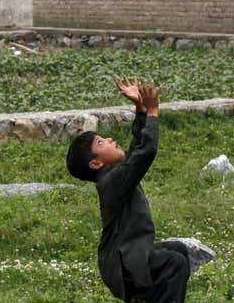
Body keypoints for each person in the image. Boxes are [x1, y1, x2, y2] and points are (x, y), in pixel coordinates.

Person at [67, 77, 191, 303]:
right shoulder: (112, 182)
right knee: (175, 263)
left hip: (128, 257)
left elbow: (136, 149)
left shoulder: (115, 175)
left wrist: (141, 110)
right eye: (102, 143)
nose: (110, 139)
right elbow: (144, 153)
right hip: (123, 264)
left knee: (179, 250)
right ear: (96, 164)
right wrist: (153, 112)